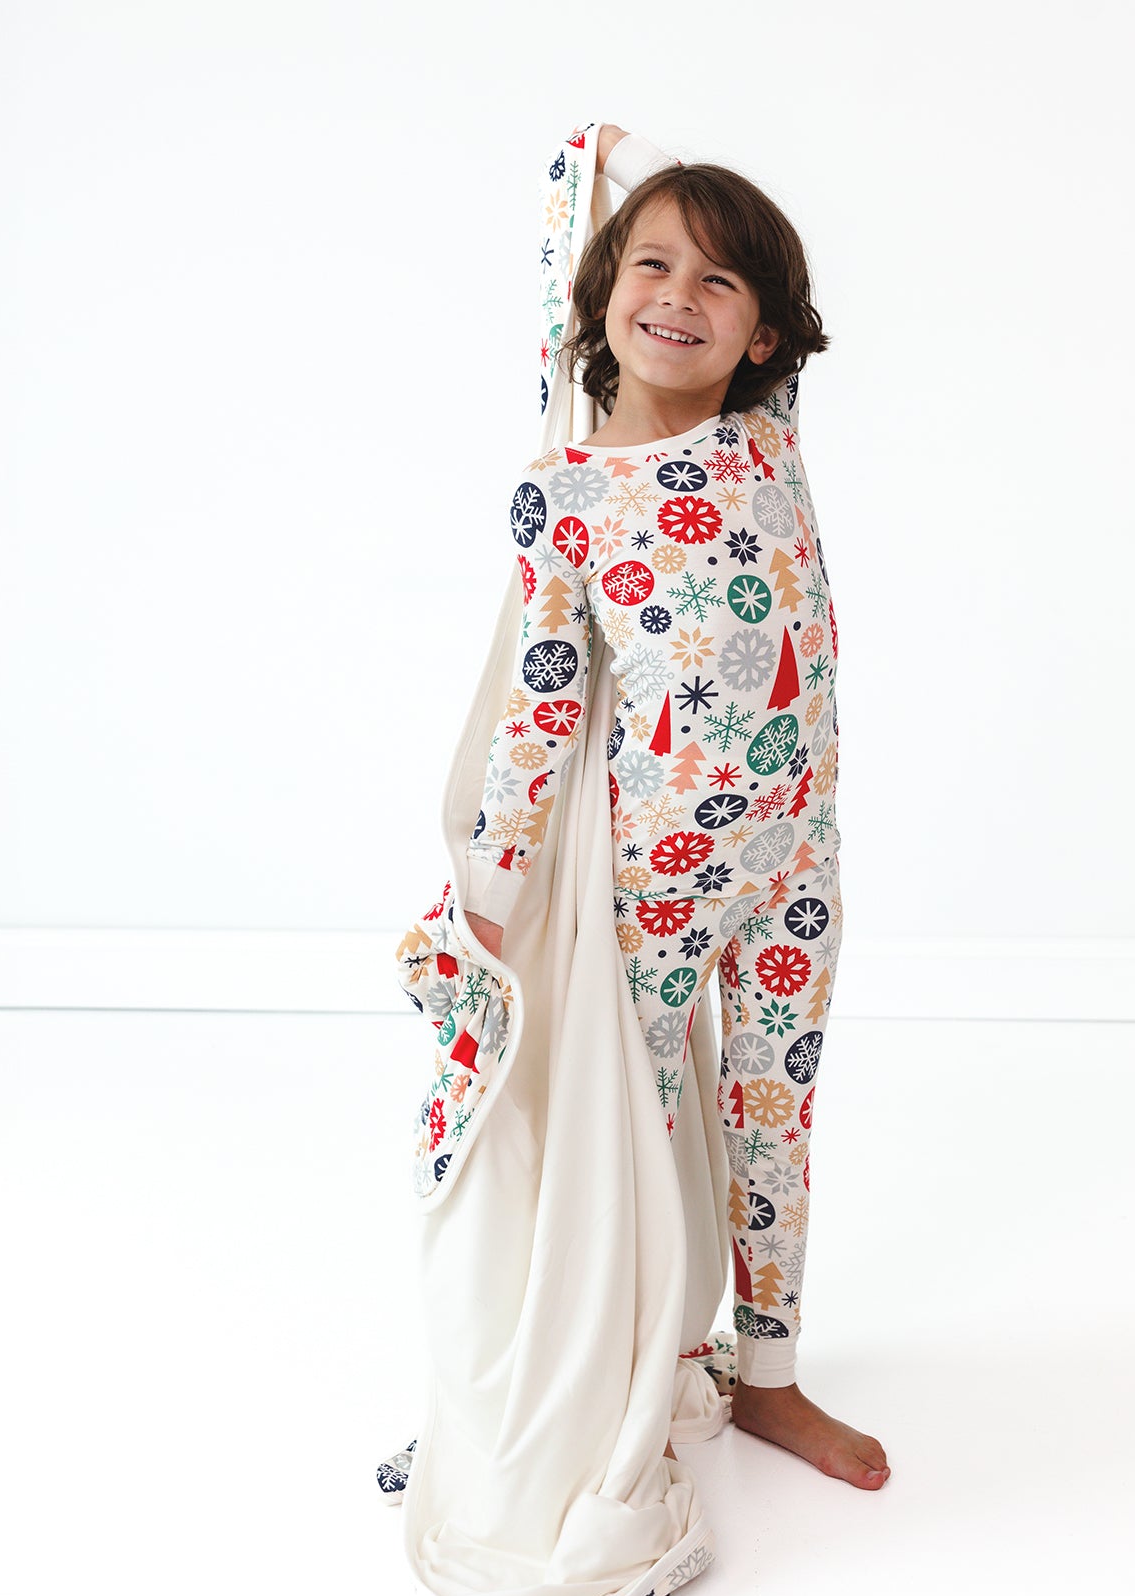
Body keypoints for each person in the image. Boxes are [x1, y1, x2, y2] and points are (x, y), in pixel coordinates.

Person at [460, 121, 889, 1492]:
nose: (678, 300)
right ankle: (623, 1365)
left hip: (795, 865)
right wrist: (488, 891)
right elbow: (539, 699)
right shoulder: (566, 494)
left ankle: (768, 1376)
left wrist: (642, 179)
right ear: (595, 300)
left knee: (777, 1112)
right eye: (650, 267)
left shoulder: (770, 439)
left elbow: (684, 277)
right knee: (624, 1151)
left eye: (719, 284)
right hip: (654, 890)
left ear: (766, 337)